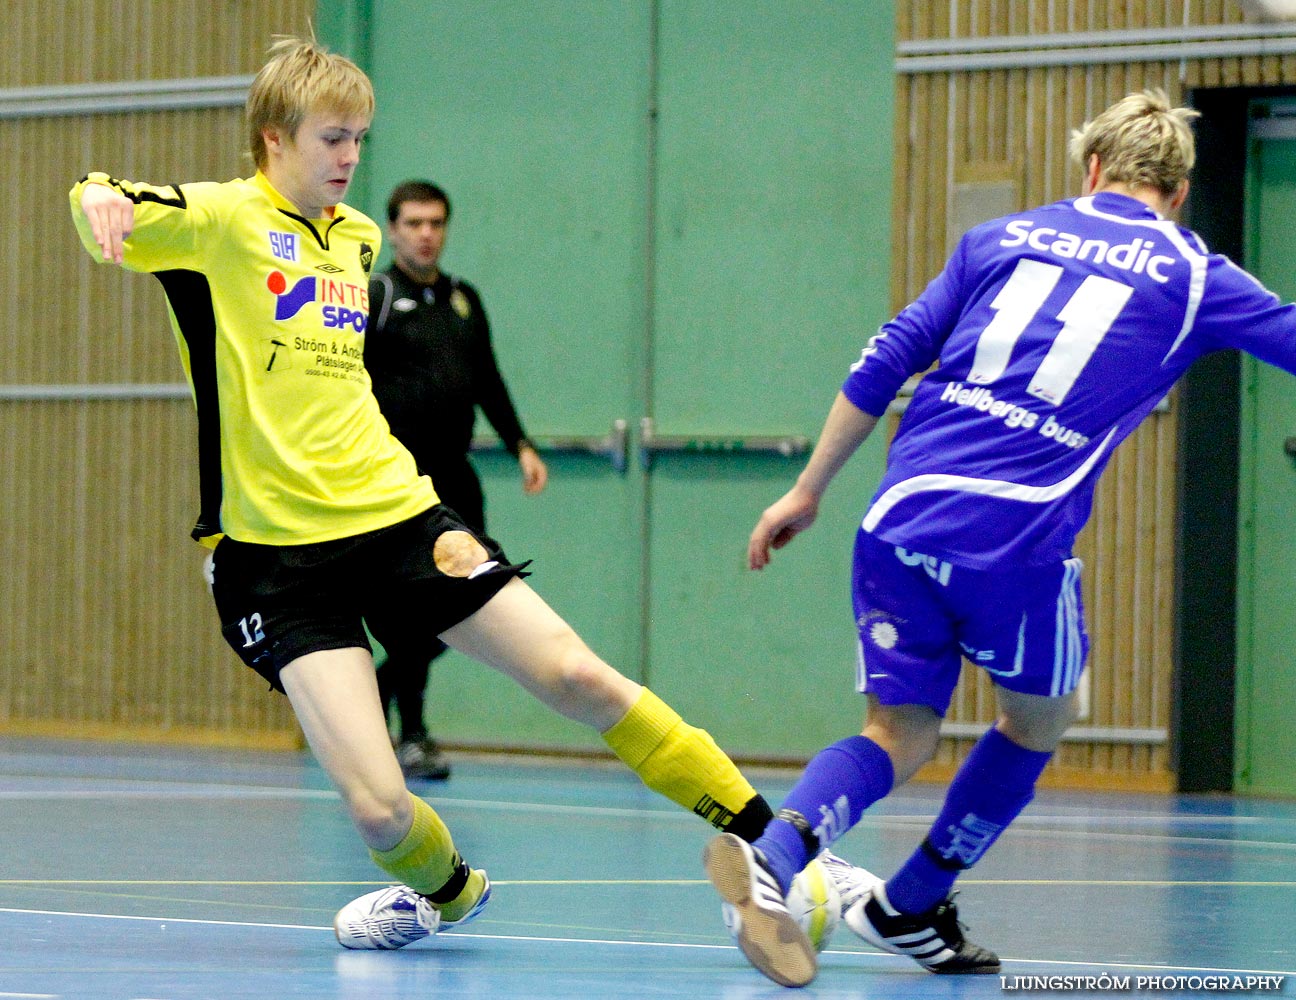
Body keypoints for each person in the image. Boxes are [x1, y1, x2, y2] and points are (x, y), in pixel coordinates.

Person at [70, 36, 877, 956]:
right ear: (273, 139)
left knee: (578, 675)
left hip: (398, 517)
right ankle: (445, 894)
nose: (349, 159)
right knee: (378, 809)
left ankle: (771, 841)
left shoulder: (357, 239)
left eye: (359, 140)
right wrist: (97, 190)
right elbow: (115, 198)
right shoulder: (219, 222)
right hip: (276, 565)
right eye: (333, 138)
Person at [704, 89, 1296, 987]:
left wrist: (806, 487)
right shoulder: (1197, 275)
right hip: (1013, 537)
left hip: (897, 513)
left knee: (898, 729)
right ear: (1177, 191)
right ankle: (910, 902)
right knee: (1039, 718)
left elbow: (891, 352)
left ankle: (779, 855)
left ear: (1090, 168)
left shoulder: (1000, 238)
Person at [364, 179, 548, 782]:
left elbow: (487, 376)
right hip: (399, 484)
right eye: (414, 223)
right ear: (393, 230)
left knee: (474, 596)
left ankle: (376, 689)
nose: (426, 234)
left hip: (457, 478)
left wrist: (520, 441)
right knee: (420, 611)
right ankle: (410, 734)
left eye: (436, 223)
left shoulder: (464, 299)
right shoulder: (378, 297)